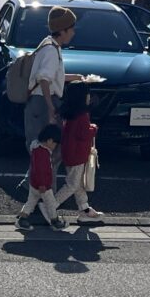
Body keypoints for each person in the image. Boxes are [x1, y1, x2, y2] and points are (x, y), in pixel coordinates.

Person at [25, 7, 83, 150]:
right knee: (43, 149)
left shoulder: (48, 43)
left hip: (39, 102)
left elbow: (50, 76)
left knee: (41, 150)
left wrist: (75, 77)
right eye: (71, 29)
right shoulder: (51, 50)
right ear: (62, 30)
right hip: (43, 104)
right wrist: (50, 107)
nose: (73, 33)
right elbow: (44, 79)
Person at [54, 80, 103, 224]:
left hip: (70, 152)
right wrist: (94, 128)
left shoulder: (70, 113)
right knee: (72, 185)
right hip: (77, 155)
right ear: (82, 97)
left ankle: (85, 210)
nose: (89, 96)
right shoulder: (82, 115)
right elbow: (83, 134)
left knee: (78, 184)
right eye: (88, 94)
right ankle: (50, 206)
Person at [14, 124, 67, 231]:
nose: (55, 146)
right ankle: (55, 222)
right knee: (50, 203)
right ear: (50, 141)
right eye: (55, 143)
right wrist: (43, 184)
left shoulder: (36, 148)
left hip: (34, 183)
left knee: (31, 202)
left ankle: (22, 219)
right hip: (43, 185)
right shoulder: (43, 153)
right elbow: (41, 171)